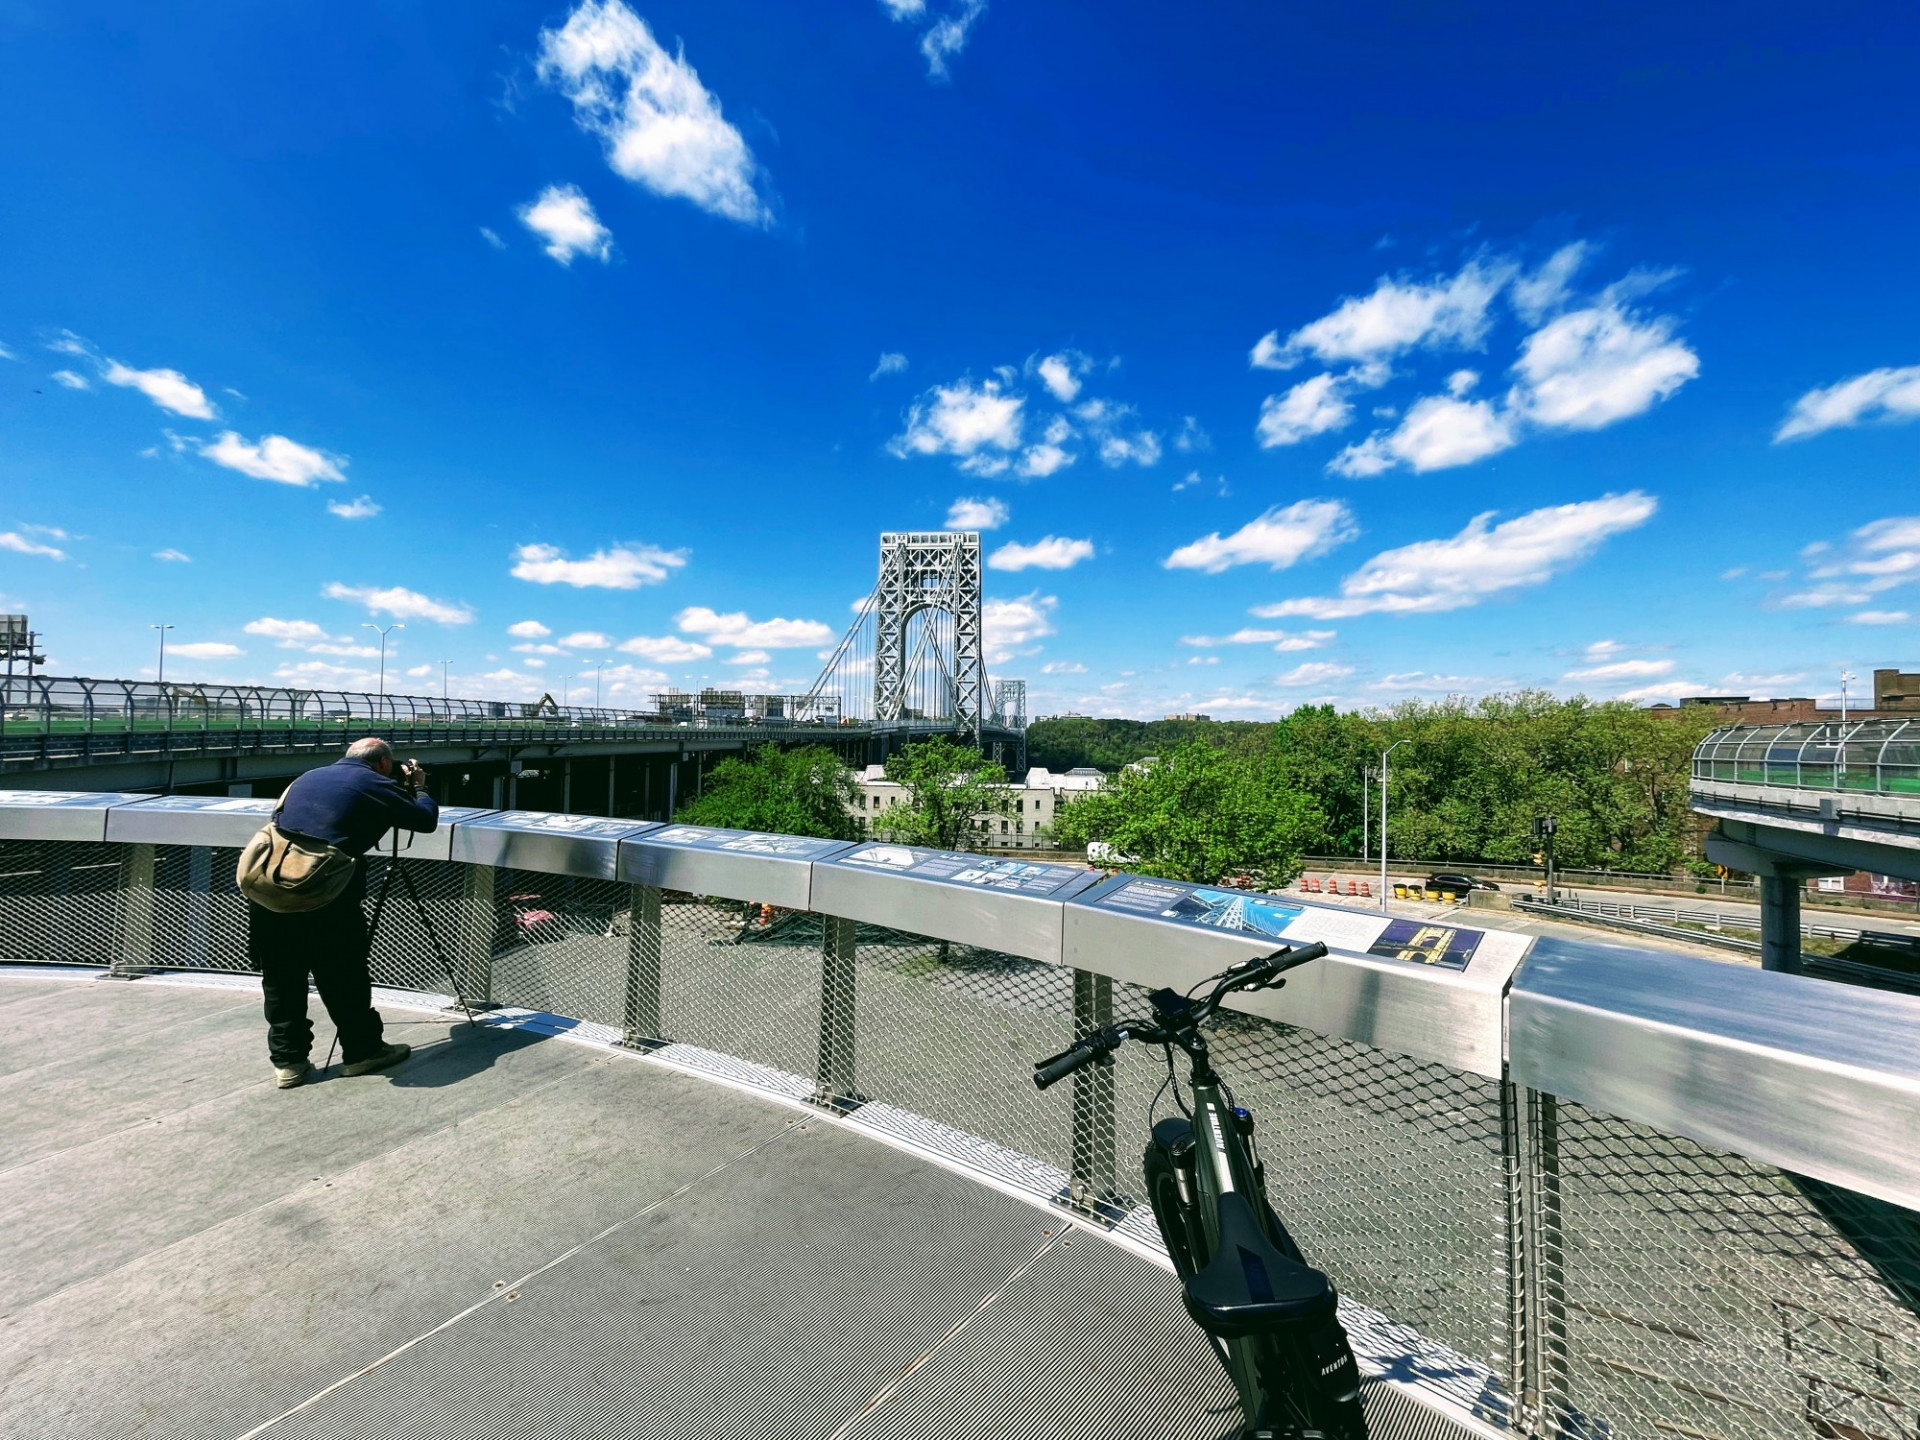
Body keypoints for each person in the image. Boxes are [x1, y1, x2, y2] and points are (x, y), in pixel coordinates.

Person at [250, 736, 440, 1088]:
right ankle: (362, 1052)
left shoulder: (309, 776)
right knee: (342, 976)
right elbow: (424, 821)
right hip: (326, 894)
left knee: (281, 978)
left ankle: (289, 1063)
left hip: (270, 889)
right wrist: (419, 787)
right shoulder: (375, 782)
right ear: (383, 763)